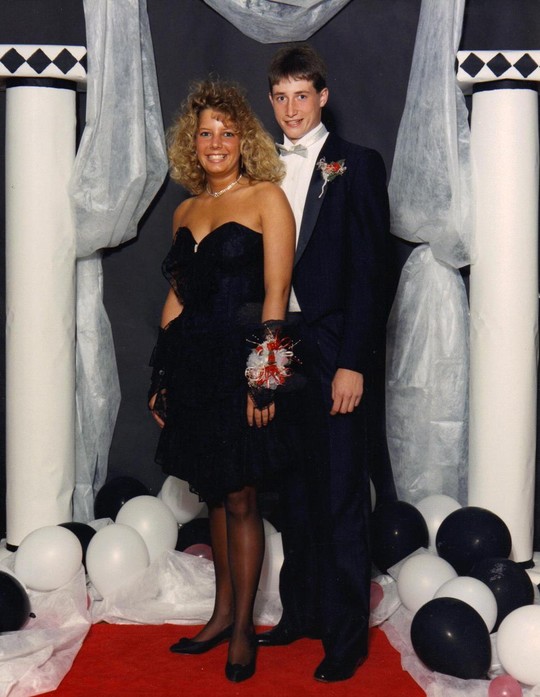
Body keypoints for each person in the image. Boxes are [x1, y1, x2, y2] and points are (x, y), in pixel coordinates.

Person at [148, 79, 295, 683]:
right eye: (205, 133)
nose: (215, 143)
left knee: (241, 497)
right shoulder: (185, 211)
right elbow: (177, 300)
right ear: (192, 142)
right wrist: (161, 374)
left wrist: (264, 378)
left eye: (227, 132)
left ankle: (243, 632)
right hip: (193, 367)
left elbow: (277, 294)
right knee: (212, 491)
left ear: (243, 140)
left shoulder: (266, 198)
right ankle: (220, 614)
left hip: (241, 365)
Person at [257, 44, 390, 683]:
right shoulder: (260, 166)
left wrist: (354, 362)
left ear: (323, 97)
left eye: (302, 96)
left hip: (335, 348)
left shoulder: (356, 165)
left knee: (339, 495)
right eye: (281, 97)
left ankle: (345, 638)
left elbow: (372, 272)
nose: (291, 110)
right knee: (292, 490)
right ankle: (301, 612)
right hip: (279, 344)